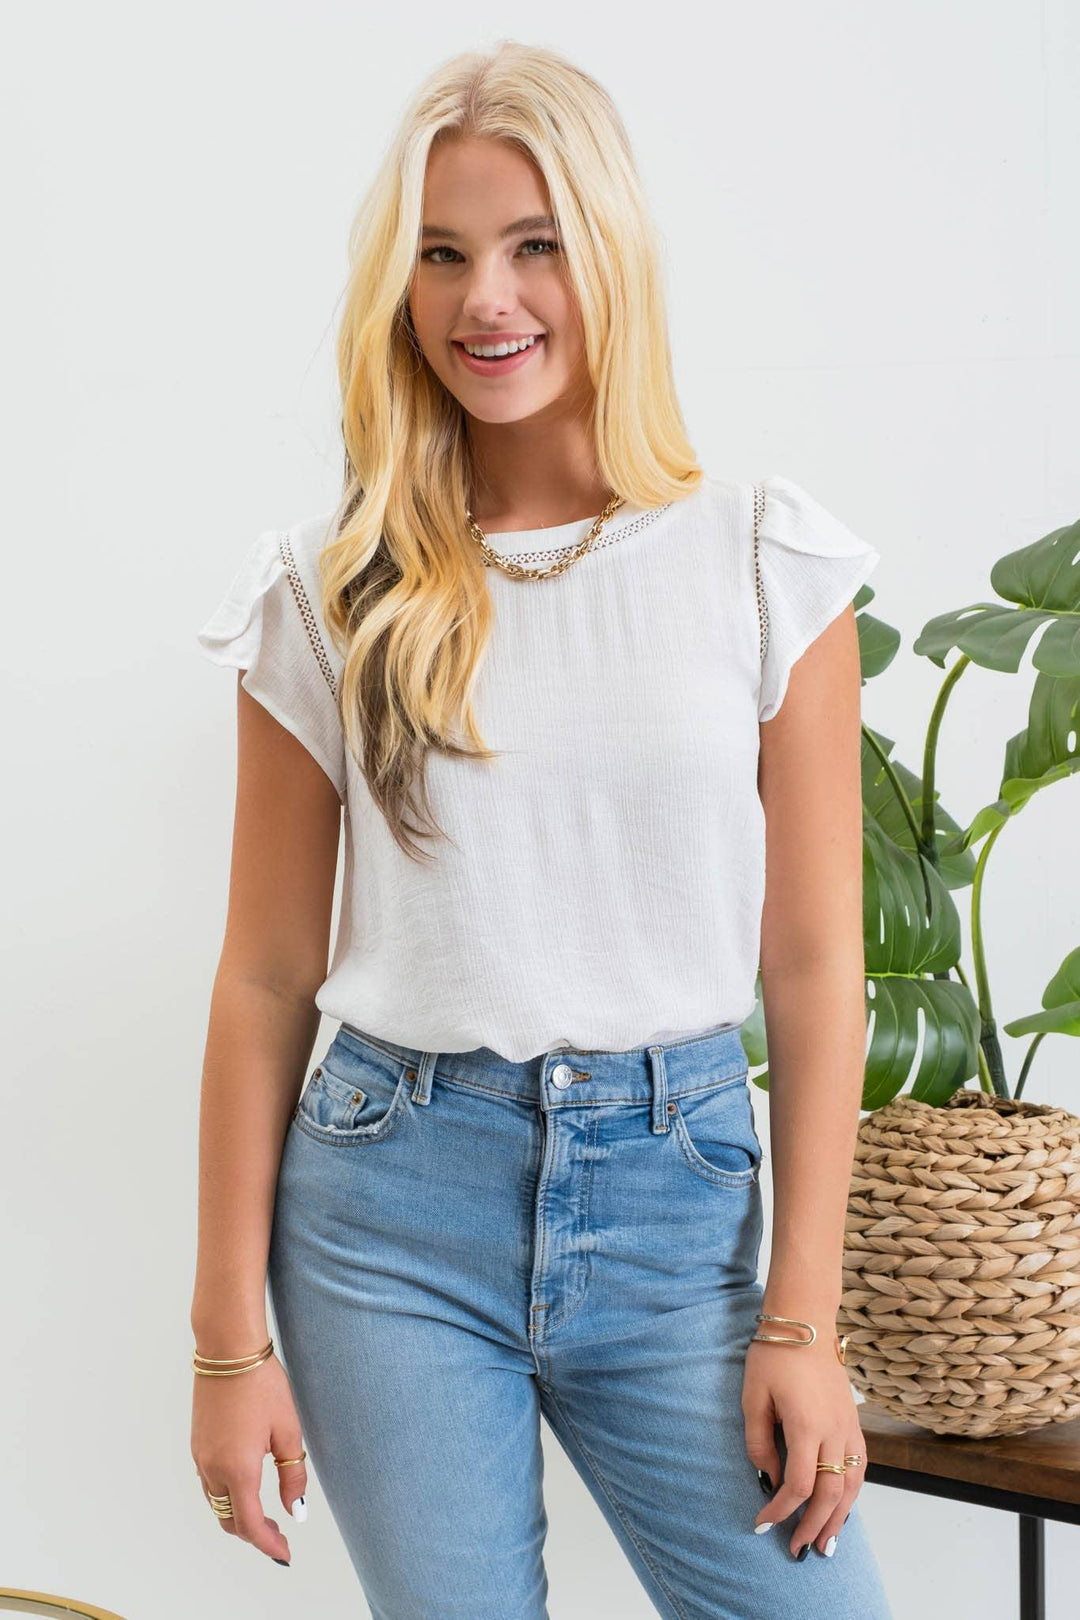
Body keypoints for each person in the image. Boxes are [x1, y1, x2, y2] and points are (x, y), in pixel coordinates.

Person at [189, 37, 894, 1620]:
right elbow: (264, 977)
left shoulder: (761, 561)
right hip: (390, 1216)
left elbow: (813, 964)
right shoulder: (329, 588)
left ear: (611, 255)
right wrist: (225, 1343)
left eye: (534, 246)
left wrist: (802, 1320)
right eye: (440, 254)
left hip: (680, 1212)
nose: (484, 301)